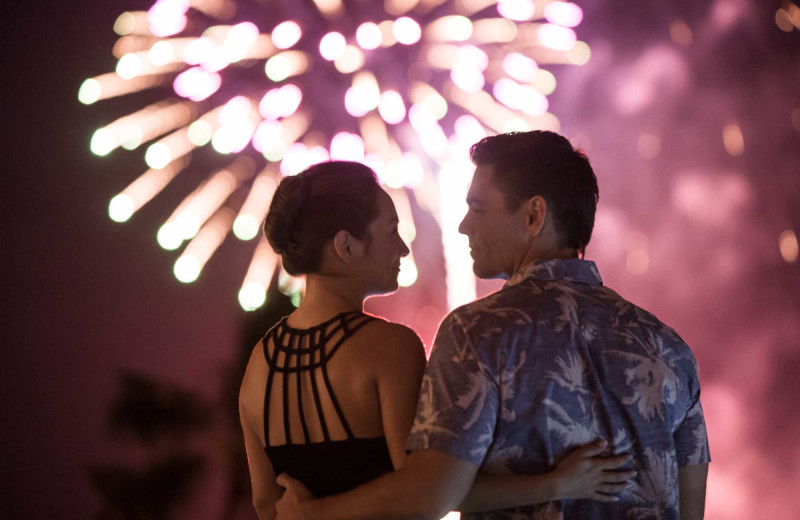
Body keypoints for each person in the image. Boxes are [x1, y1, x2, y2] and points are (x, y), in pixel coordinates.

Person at [275, 133, 710, 520]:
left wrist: (314, 513)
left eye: (478, 209)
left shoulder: (476, 333)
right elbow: (691, 510)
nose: (464, 226)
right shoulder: (669, 348)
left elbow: (431, 493)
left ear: (533, 216)